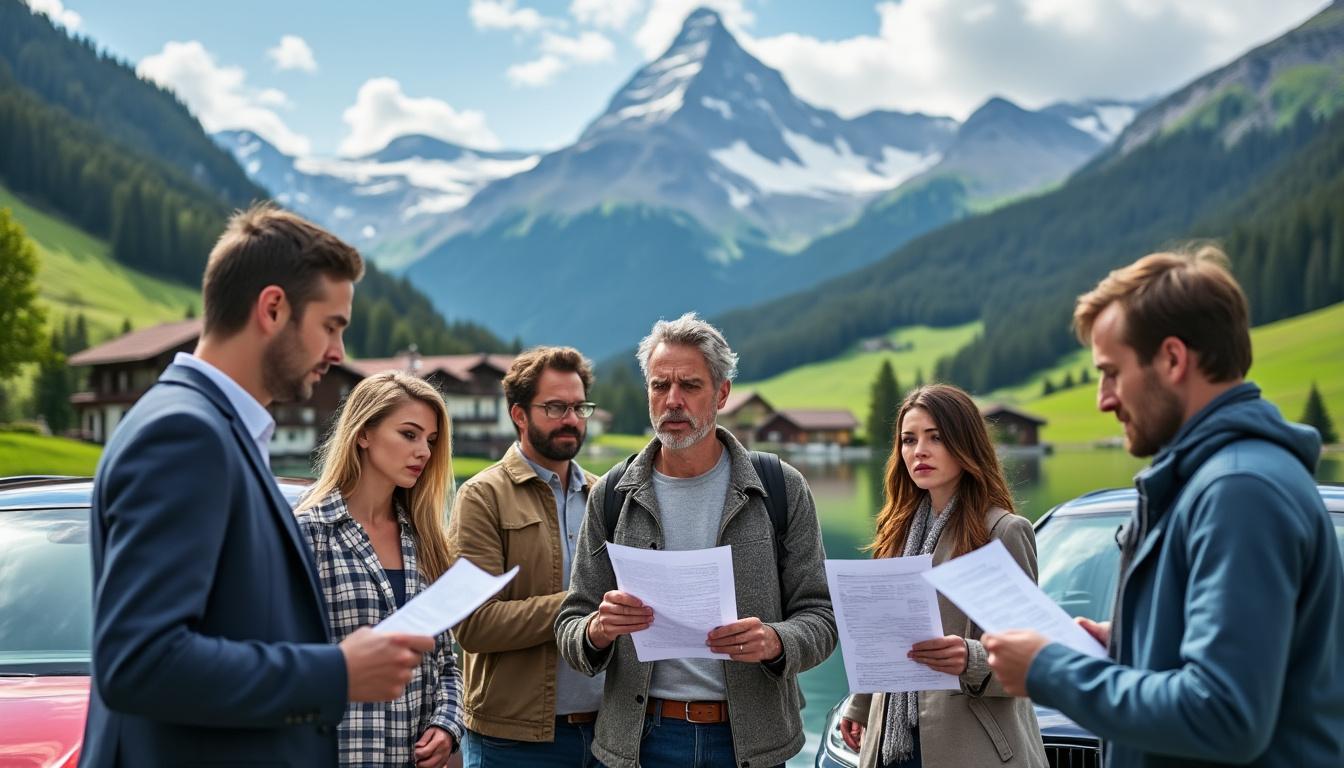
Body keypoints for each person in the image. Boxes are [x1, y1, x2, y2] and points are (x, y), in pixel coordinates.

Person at [82, 204, 434, 767]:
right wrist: (337, 672)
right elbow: (140, 661)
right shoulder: (184, 434)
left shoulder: (217, 431)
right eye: (331, 326)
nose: (339, 353)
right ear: (273, 308)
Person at [983, 246, 1344, 767]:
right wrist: (1137, 642)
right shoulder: (1220, 480)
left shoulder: (1240, 491)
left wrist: (1048, 670)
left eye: (1111, 373)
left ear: (1173, 359)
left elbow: (1225, 714)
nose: (1104, 400)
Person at [555, 312, 837, 768]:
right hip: (641, 742)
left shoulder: (780, 487)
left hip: (752, 744)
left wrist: (775, 641)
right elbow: (571, 622)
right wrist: (598, 629)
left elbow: (822, 618)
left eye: (689, 385)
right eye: (659, 386)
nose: (672, 401)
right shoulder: (611, 493)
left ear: (722, 393)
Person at [838, 385, 1046, 768]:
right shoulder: (896, 534)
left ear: (965, 442)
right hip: (891, 744)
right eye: (908, 440)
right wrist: (862, 703)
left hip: (971, 744)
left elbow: (1030, 659)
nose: (919, 451)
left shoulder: (1003, 532)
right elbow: (883, 636)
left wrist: (971, 657)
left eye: (935, 437)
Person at [295, 370, 465, 767]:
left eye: (431, 440)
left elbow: (445, 660)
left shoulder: (426, 539)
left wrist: (447, 724)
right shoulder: (310, 533)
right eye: (409, 434)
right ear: (363, 434)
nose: (423, 451)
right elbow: (286, 659)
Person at [447, 346, 605, 767]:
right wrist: (583, 606)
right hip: (514, 743)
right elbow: (472, 625)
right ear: (519, 415)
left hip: (610, 734)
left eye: (579, 407)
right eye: (555, 407)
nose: (571, 419)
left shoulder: (606, 496)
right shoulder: (482, 497)